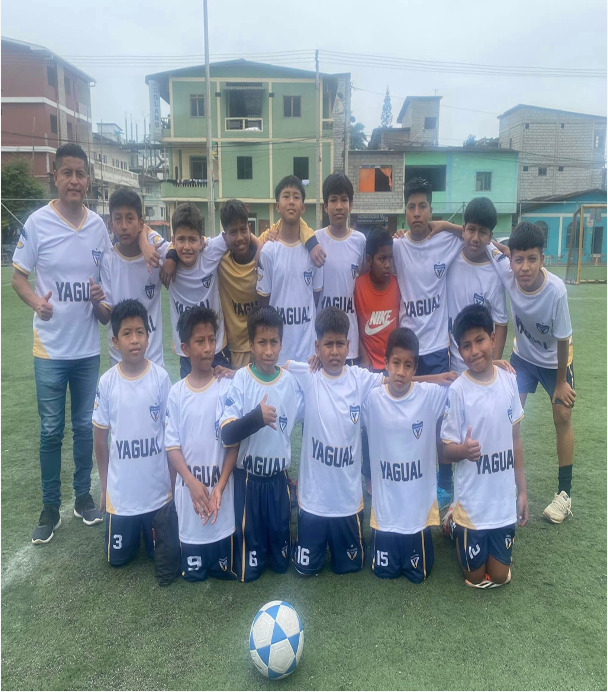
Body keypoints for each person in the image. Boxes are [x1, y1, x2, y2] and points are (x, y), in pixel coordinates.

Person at [12, 143, 111, 543]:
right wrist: (37, 302)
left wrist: (99, 300)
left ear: (88, 179)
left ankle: (82, 498)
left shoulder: (99, 227)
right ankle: (50, 507)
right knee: (52, 430)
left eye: (80, 174)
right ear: (55, 177)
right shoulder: (37, 223)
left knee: (85, 428)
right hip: (50, 350)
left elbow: (105, 291)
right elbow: (18, 277)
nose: (74, 180)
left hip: (87, 349)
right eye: (67, 173)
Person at [486, 222, 575, 523]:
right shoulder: (507, 271)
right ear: (511, 260)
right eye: (519, 259)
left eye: (532, 259)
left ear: (542, 259)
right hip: (522, 358)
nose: (525, 267)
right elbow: (484, 239)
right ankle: (506, 483)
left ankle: (564, 495)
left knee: (562, 414)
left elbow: (563, 339)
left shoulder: (556, 291)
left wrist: (561, 382)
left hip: (555, 361)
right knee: (507, 416)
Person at [286, 307, 384, 575]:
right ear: (317, 347)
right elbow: (271, 370)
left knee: (350, 567)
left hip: (347, 502)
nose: (334, 351)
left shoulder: (359, 380)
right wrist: (229, 373)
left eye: (340, 344)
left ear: (348, 346)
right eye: (328, 345)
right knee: (305, 570)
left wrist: (438, 379)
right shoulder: (308, 376)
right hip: (313, 502)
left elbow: (396, 384)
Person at [441, 304, 528, 588]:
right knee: (475, 578)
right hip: (473, 504)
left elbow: (516, 440)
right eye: (466, 345)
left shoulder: (509, 380)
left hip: (502, 502)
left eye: (480, 340)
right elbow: (445, 451)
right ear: (459, 350)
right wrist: (463, 451)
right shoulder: (458, 391)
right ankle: (454, 519)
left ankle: (464, 523)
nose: (474, 350)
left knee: (500, 577)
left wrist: (522, 492)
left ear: (493, 339)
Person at [220, 306, 304, 582]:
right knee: (250, 569)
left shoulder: (290, 383)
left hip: (279, 482)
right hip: (249, 483)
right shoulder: (241, 380)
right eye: (262, 342)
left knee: (281, 565)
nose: (268, 350)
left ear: (281, 343)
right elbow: (227, 434)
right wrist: (257, 417)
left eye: (274, 342)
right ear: (251, 345)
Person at [363, 328, 448, 582]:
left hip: (416, 514)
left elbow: (464, 384)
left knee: (418, 574)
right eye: (396, 363)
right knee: (384, 572)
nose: (401, 372)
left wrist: (496, 364)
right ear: (386, 363)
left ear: (415, 367)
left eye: (408, 365)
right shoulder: (371, 399)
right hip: (385, 513)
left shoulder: (429, 396)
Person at [92, 299, 173, 566]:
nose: (134, 339)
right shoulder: (107, 382)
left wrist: (174, 486)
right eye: (127, 333)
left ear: (148, 338)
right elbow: (100, 440)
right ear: (115, 341)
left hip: (157, 494)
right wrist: (105, 488)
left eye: (140, 332)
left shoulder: (160, 378)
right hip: (122, 496)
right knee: (117, 561)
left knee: (159, 555)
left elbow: (171, 437)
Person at [165, 306, 238, 581]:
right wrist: (191, 482)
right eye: (200, 341)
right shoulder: (177, 393)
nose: (208, 348)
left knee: (223, 571)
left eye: (211, 340)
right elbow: (172, 446)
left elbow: (233, 444)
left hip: (222, 500)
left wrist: (220, 486)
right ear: (185, 348)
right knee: (193, 575)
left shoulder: (227, 387)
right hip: (190, 501)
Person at [393, 177, 462, 375]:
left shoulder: (446, 241)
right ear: (405, 211)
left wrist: (446, 225)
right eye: (411, 207)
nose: (417, 213)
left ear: (430, 211)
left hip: (437, 348)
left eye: (422, 206)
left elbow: (476, 236)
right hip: (407, 346)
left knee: (439, 396)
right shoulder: (396, 246)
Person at [96, 188, 169, 366]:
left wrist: (145, 241)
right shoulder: (108, 260)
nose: (124, 226)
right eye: (118, 219)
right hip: (119, 362)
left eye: (130, 218)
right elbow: (105, 317)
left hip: (153, 361)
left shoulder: (155, 253)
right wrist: (94, 301)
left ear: (140, 223)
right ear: (111, 225)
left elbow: (176, 252)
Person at [257, 176, 323, 364]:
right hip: (278, 354)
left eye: (296, 197)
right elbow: (263, 301)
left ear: (303, 207)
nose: (291, 201)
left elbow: (315, 296)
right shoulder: (269, 251)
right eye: (286, 196)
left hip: (307, 354)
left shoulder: (314, 253)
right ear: (278, 206)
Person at [164, 203, 230, 378]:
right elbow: (143, 231)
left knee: (223, 393)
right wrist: (170, 255)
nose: (186, 246)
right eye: (181, 240)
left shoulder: (211, 251)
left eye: (192, 240)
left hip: (217, 350)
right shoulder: (165, 255)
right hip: (187, 353)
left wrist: (258, 244)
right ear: (173, 241)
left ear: (201, 241)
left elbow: (234, 232)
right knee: (190, 394)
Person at [446, 197, 508, 374]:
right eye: (471, 229)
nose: (475, 238)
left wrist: (493, 364)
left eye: (482, 232)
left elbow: (501, 322)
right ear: (463, 230)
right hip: (451, 363)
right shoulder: (450, 255)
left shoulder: (494, 276)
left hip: (480, 364)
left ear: (490, 237)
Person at [315, 173, 366, 365]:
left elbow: (363, 283)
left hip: (349, 341)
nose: (338, 206)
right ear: (325, 206)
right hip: (323, 342)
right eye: (333, 200)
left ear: (351, 205)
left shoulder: (360, 241)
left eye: (344, 200)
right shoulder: (314, 239)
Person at [354, 229, 401, 371]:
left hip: (393, 365)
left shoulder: (398, 284)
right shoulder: (358, 287)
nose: (387, 264)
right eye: (382, 259)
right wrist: (363, 356)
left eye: (390, 258)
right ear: (369, 260)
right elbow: (354, 326)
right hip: (368, 366)